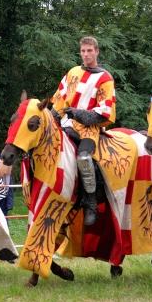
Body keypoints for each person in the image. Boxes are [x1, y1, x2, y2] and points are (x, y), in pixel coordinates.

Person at [51, 36, 116, 226]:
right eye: (83, 51)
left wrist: (79, 114)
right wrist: (51, 119)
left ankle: (91, 203)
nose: (86, 54)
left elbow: (105, 111)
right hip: (66, 125)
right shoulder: (72, 72)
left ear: (97, 51)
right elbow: (59, 100)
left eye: (90, 50)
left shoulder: (105, 78)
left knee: (84, 158)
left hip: (89, 130)